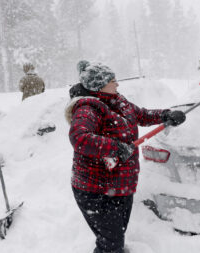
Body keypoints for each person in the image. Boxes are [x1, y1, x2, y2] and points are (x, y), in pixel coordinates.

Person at [65, 60, 186, 253]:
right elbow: (79, 138)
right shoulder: (89, 108)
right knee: (111, 244)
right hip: (96, 190)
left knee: (114, 239)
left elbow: (142, 115)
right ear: (100, 86)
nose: (117, 84)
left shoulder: (117, 100)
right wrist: (115, 148)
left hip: (120, 185)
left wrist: (166, 115)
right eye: (113, 80)